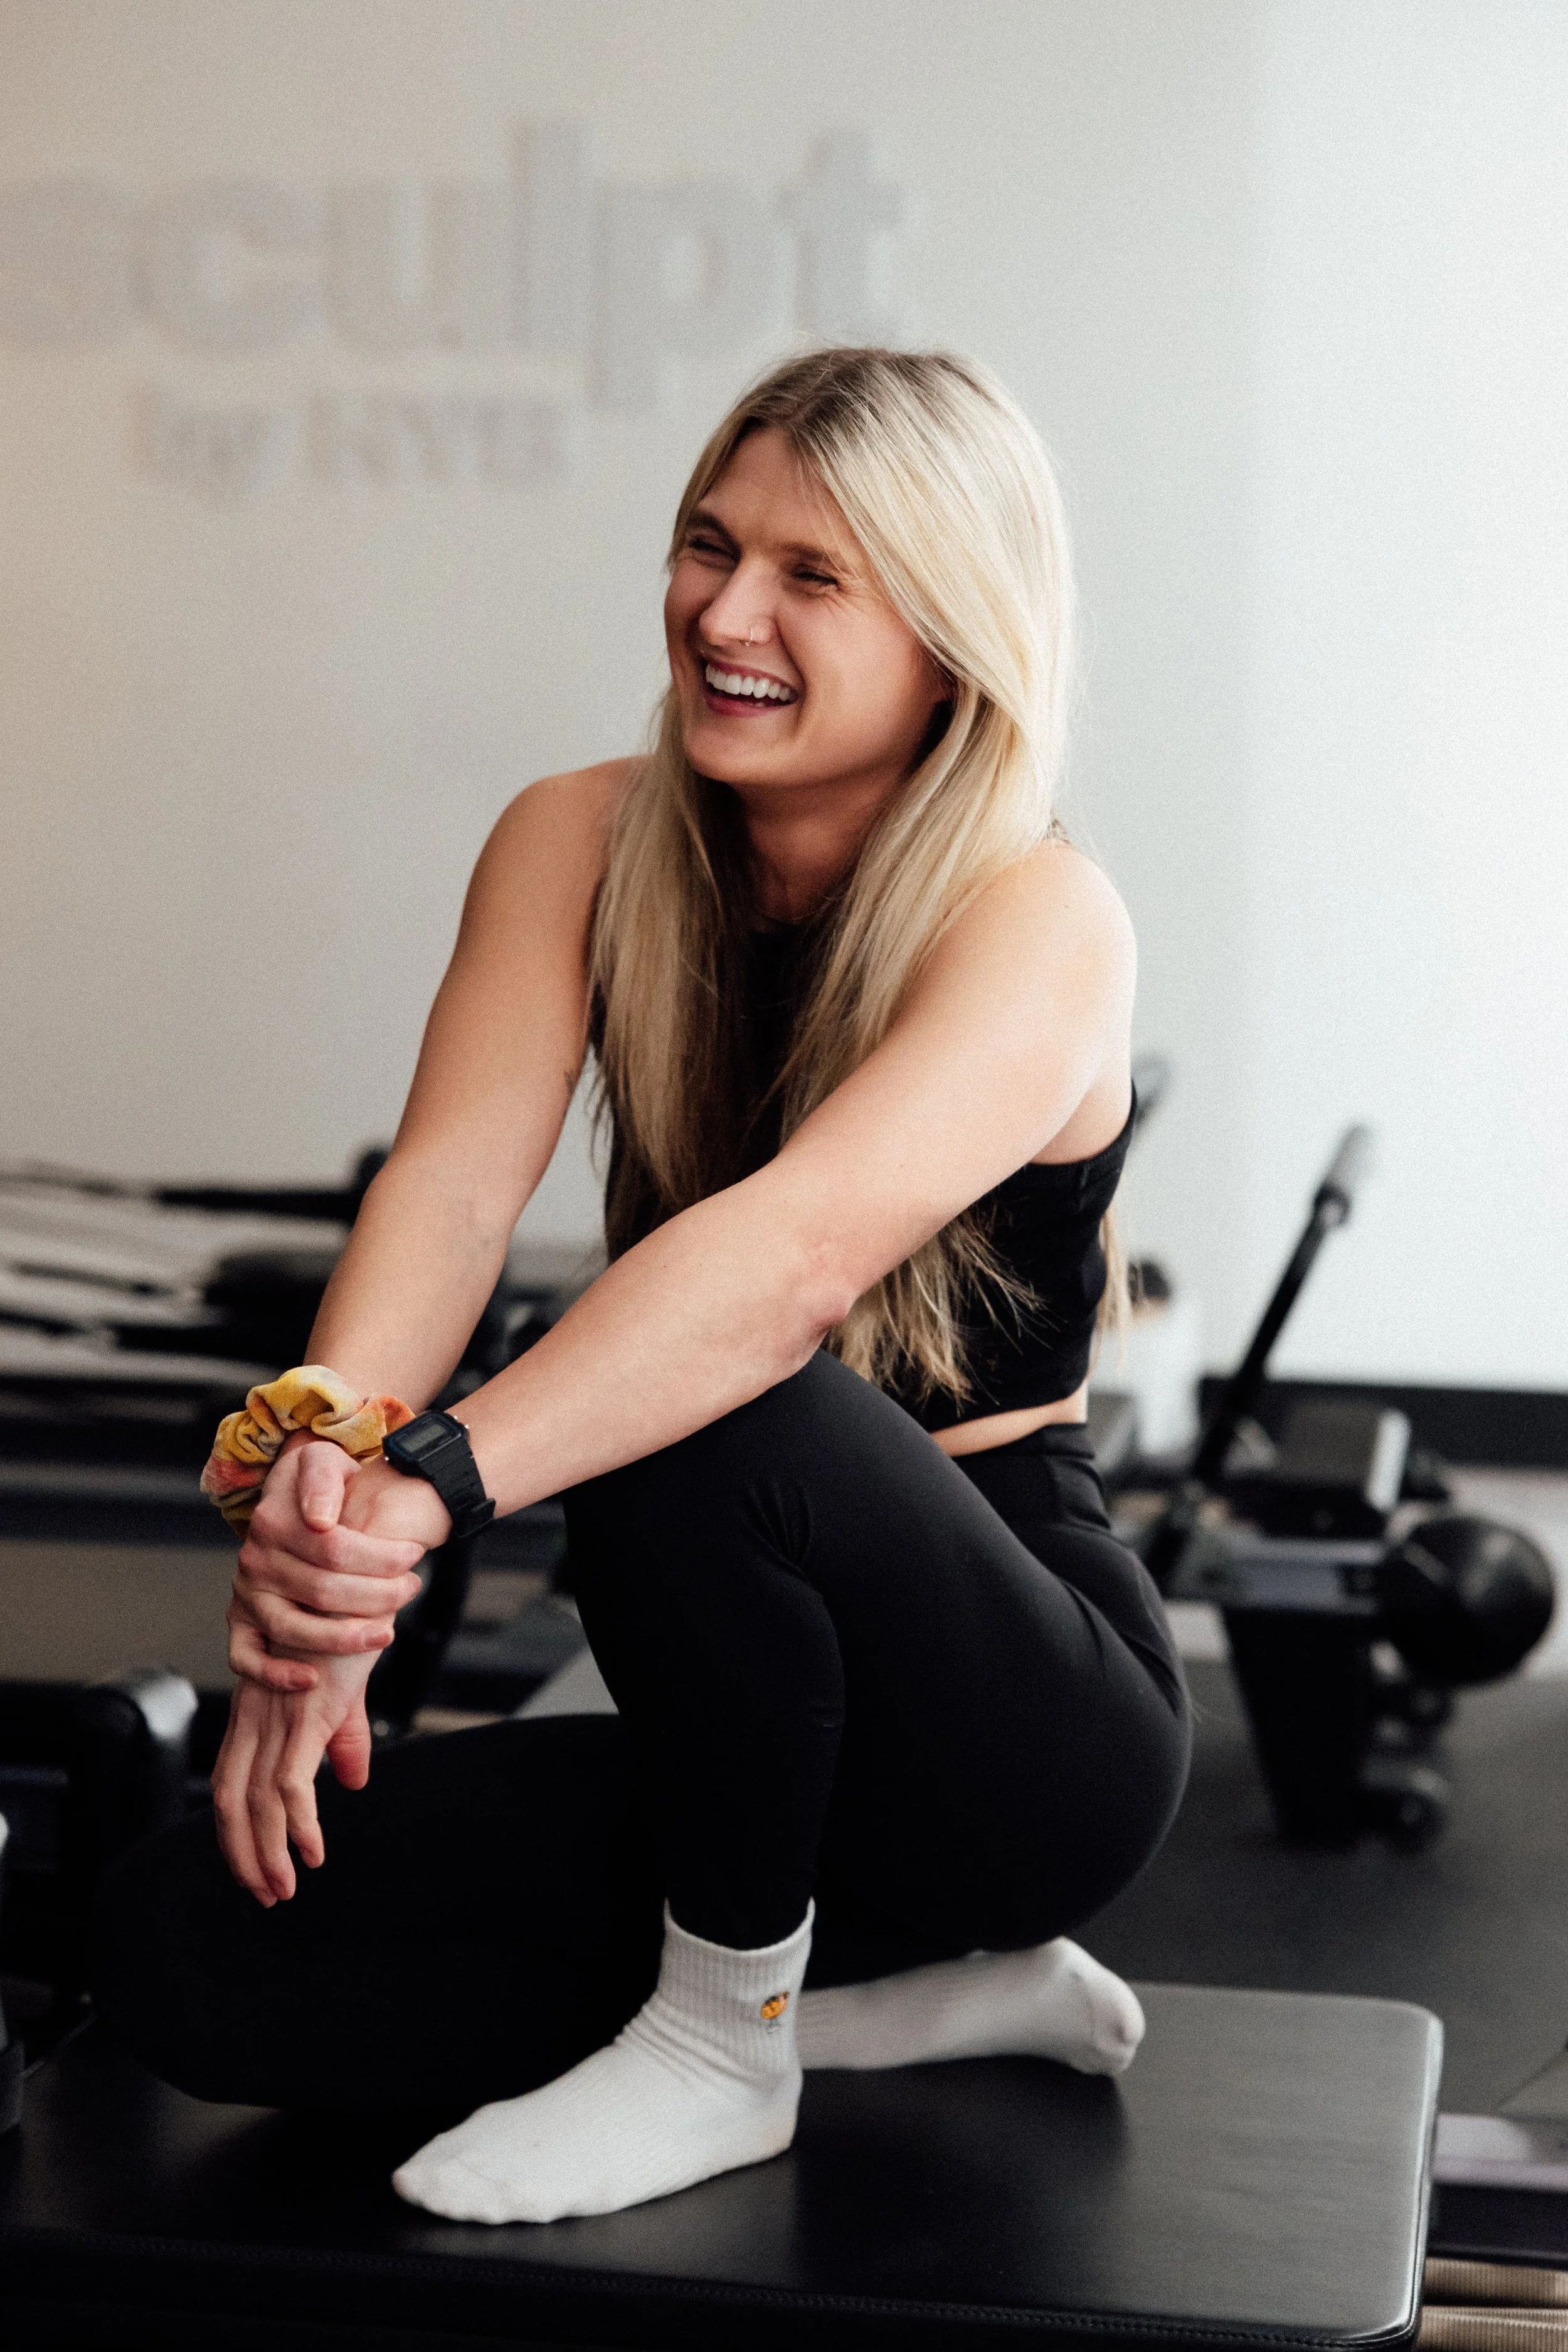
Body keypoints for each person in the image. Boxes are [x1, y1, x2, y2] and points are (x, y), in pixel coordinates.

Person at [97, 346, 1190, 2227]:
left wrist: (429, 1488)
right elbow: (445, 1195)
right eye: (708, 543)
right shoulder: (582, 838)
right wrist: (321, 1493)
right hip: (737, 1716)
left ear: (949, 637)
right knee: (194, 1946)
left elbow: (778, 1271)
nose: (724, 611)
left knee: (713, 1384)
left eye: (809, 576)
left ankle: (726, 2036)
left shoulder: (1036, 912)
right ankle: (890, 1994)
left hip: (1012, 1722)